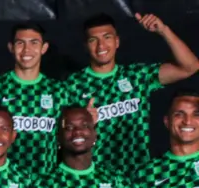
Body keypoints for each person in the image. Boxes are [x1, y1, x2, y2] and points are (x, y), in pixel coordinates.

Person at [64, 13, 198, 179]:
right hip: (98, 177)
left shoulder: (136, 75)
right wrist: (83, 124)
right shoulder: (72, 85)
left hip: (139, 173)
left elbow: (190, 67)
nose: (101, 45)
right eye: (93, 40)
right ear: (86, 46)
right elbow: (59, 137)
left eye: (107, 37)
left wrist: (164, 30)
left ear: (117, 41)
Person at [0, 23, 61, 175]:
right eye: (20, 43)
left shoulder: (58, 90)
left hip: (44, 180)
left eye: (34, 43)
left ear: (44, 48)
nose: (26, 50)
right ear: (11, 47)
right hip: (5, 179)